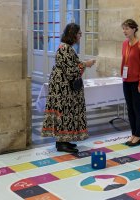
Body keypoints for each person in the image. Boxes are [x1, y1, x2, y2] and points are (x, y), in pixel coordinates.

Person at [41, 23, 96, 153]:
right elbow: (71, 71)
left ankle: (65, 141)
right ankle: (61, 143)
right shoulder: (65, 48)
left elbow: (70, 65)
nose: (80, 36)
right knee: (64, 112)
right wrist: (85, 64)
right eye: (79, 33)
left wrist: (82, 64)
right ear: (72, 35)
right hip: (63, 88)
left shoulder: (66, 48)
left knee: (67, 113)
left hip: (64, 86)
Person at [120, 19, 140, 146]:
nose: (124, 31)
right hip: (126, 81)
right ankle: (133, 134)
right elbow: (124, 61)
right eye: (123, 28)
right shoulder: (125, 44)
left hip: (137, 81)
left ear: (134, 29)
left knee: (137, 109)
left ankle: (138, 136)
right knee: (130, 109)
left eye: (127, 28)